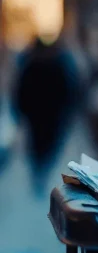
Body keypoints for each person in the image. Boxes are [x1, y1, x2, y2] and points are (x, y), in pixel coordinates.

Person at [12, 37, 79, 197]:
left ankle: (40, 173)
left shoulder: (46, 66)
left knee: (44, 148)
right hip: (42, 118)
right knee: (43, 148)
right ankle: (40, 173)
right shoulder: (39, 66)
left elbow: (67, 92)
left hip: (46, 117)